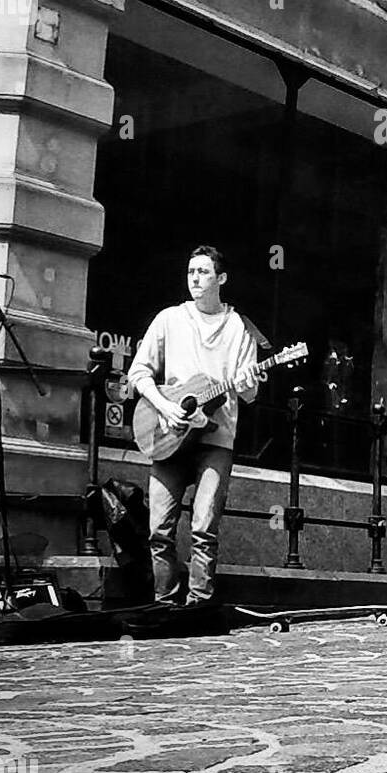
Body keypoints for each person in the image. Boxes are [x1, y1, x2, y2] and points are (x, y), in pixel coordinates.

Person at [127, 245, 263, 606]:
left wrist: (248, 378)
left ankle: (199, 605)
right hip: (168, 434)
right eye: (191, 272)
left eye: (203, 272)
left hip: (216, 439)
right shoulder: (169, 319)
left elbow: (249, 393)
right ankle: (164, 603)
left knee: (204, 526)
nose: (195, 279)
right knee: (159, 529)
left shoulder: (239, 328)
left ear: (221, 278)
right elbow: (138, 372)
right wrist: (165, 406)